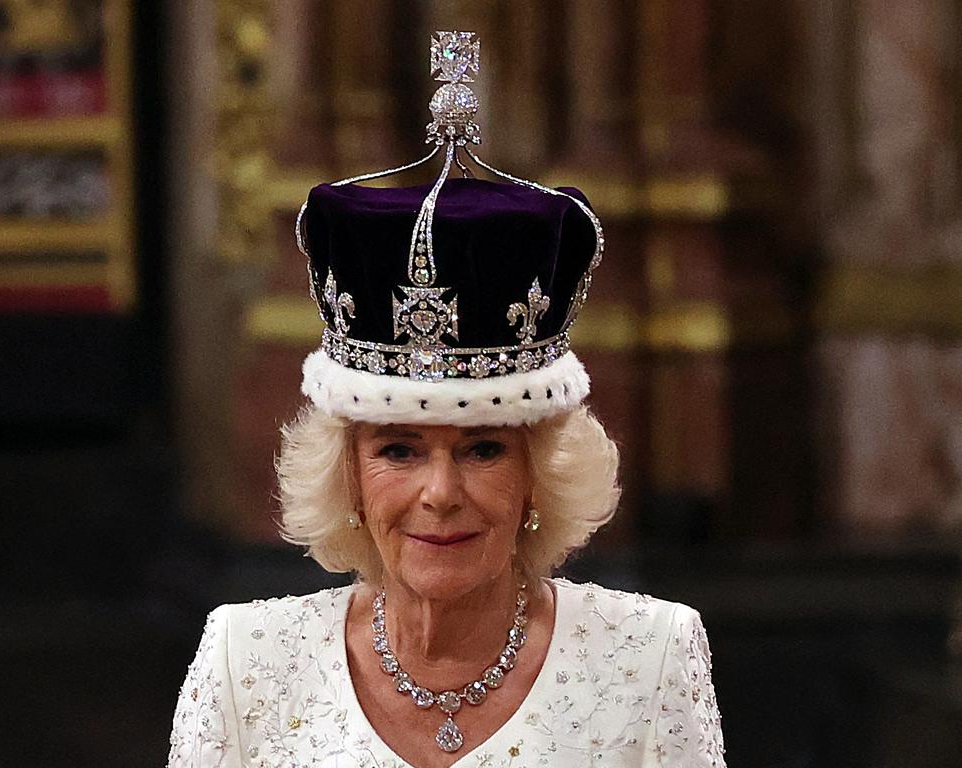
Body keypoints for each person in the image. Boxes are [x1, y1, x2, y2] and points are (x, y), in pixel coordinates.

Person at [168, 31, 725, 768]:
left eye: (483, 448)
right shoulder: (245, 665)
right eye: (398, 448)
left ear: (539, 473)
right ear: (349, 479)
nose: (440, 492)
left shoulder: (652, 662)